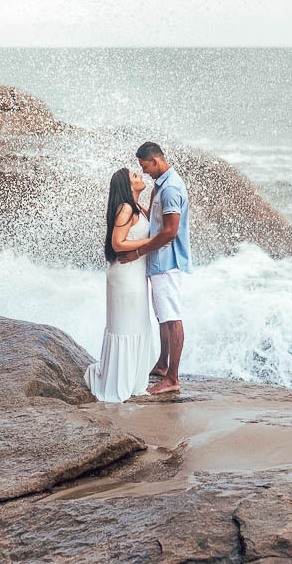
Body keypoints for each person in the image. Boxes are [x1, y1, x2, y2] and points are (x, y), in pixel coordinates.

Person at [118, 141, 192, 395]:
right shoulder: (162, 185)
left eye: (144, 166)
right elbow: (160, 222)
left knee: (172, 318)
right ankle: (162, 365)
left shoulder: (170, 188)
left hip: (168, 262)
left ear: (156, 161)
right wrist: (141, 209)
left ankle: (173, 378)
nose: (144, 171)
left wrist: (138, 251)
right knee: (163, 316)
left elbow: (170, 232)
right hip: (159, 262)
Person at [84, 167, 157, 402]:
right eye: (135, 176)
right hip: (125, 276)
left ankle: (132, 379)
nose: (140, 176)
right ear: (127, 186)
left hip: (134, 274)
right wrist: (152, 242)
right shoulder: (126, 208)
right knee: (126, 326)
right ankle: (118, 382)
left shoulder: (135, 207)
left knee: (136, 323)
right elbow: (117, 243)